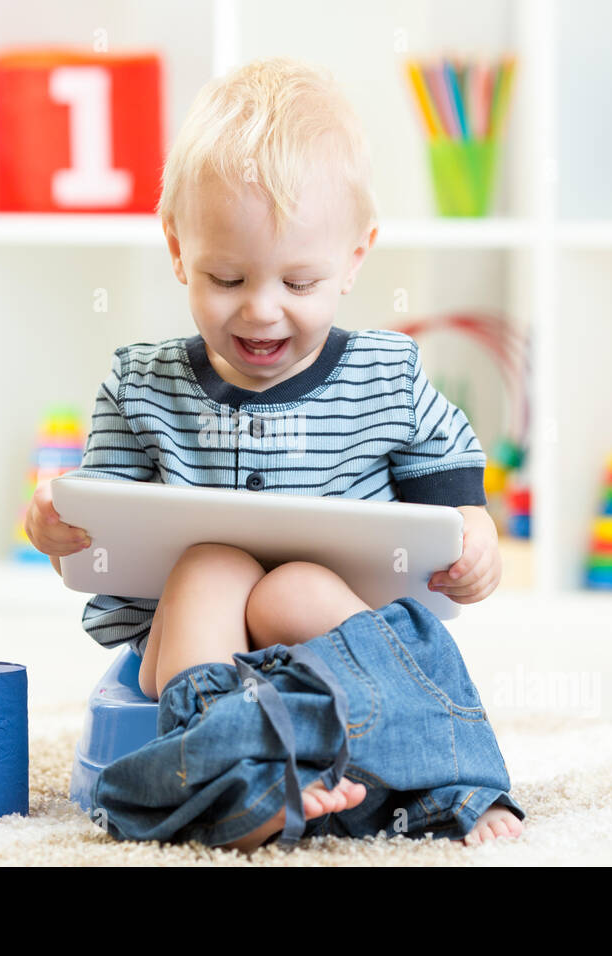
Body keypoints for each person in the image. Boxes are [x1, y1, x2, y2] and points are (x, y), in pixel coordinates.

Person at [26, 56, 523, 852]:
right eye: (227, 277)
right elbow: (101, 535)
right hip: (193, 649)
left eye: (299, 281)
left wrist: (478, 535)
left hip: (340, 639)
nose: (262, 310)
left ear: (355, 258)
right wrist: (55, 530)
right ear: (179, 249)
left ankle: (444, 780)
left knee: (292, 588)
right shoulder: (141, 383)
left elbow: (452, 481)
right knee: (215, 565)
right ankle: (232, 780)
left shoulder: (384, 375)